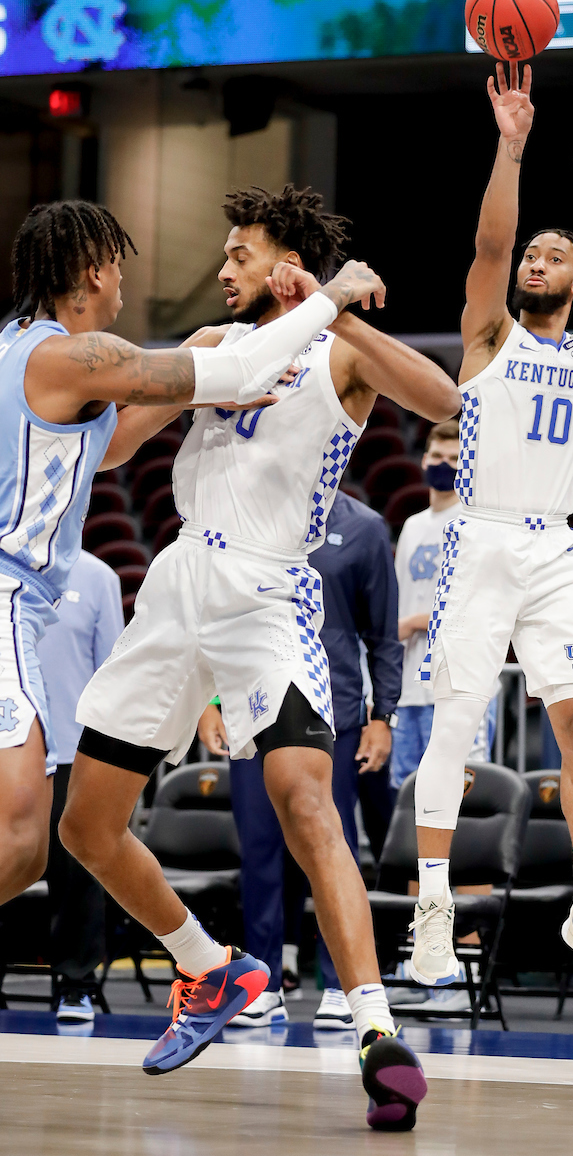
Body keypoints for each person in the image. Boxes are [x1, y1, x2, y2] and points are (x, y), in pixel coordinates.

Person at [60, 185, 460, 1129]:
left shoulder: (340, 354)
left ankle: (373, 1029)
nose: (223, 269)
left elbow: (444, 400)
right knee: (85, 826)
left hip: (269, 594)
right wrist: (179, 374)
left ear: (285, 261)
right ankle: (211, 966)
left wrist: (334, 304)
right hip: (176, 581)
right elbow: (113, 452)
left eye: (240, 254)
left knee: (304, 800)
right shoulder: (211, 346)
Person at [0, 196, 314, 916]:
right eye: (116, 268)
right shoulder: (74, 353)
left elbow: (107, 448)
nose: (123, 286)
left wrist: (202, 340)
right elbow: (229, 382)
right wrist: (331, 300)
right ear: (89, 271)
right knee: (22, 842)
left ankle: (206, 969)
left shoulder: (19, 347)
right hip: (5, 594)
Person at [411, 62, 573, 992]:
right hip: (481, 535)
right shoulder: (488, 335)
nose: (537, 263)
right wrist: (511, 145)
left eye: (556, 258)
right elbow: (489, 241)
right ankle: (431, 914)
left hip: (555, 545)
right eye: (534, 258)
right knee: (454, 730)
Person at [199, 486, 402, 1030]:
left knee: (331, 845)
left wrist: (385, 715)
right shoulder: (248, 512)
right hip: (254, 701)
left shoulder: (365, 527)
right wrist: (211, 700)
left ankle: (343, 984)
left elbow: (383, 636)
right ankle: (263, 982)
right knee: (259, 848)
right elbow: (219, 616)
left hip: (333, 711)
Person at [36, 548, 124, 1023]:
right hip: (12, 745)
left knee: (77, 875)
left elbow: (112, 672)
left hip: (72, 749)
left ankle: (77, 983)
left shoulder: (97, 577)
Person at [392, 419, 497, 793]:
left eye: (455, 458)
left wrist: (417, 621)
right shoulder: (411, 526)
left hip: (459, 682)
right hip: (409, 684)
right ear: (423, 460)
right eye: (437, 456)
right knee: (406, 791)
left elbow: (479, 604)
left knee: (458, 791)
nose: (444, 464)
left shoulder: (477, 524)